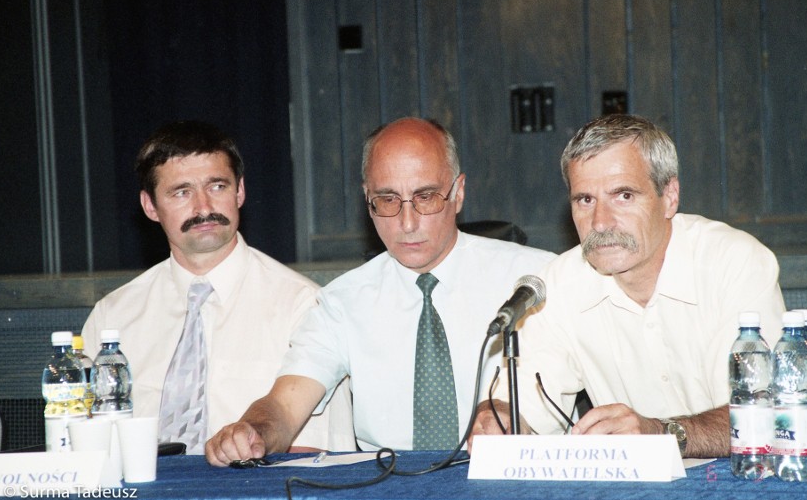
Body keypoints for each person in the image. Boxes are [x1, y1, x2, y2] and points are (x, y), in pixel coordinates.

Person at [205, 117, 556, 465]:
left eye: (426, 196)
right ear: (366, 198)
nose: (407, 223)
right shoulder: (343, 301)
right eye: (387, 200)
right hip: (391, 491)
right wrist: (253, 430)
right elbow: (284, 403)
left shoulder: (535, 279)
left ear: (458, 192)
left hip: (513, 482)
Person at [470, 114, 786, 458]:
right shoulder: (559, 284)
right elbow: (525, 412)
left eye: (623, 196)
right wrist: (500, 417)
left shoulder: (735, 264)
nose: (600, 222)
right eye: (585, 200)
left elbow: (766, 416)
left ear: (669, 197)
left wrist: (662, 433)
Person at [82, 120, 355, 454]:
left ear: (239, 191)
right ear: (150, 206)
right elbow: (82, 447)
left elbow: (318, 456)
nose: (204, 208)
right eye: (181, 192)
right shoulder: (114, 316)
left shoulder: (302, 305)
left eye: (217, 186)